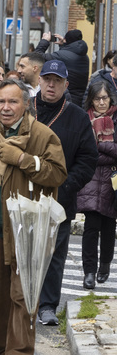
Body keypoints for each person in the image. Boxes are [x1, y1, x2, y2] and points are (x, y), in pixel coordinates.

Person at [0, 79, 66, 355]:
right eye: (1, 101)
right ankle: (2, 350)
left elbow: (57, 174)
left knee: (23, 298)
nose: (6, 107)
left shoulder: (42, 135)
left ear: (26, 105)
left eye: (13, 101)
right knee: (0, 300)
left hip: (27, 234)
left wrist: (22, 159)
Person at [34, 59, 98, 326]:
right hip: (20, 196)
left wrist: (65, 187)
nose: (51, 84)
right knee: (18, 252)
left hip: (59, 199)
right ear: (39, 80)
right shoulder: (23, 108)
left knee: (54, 254)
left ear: (66, 85)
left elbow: (87, 159)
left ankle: (47, 305)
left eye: (57, 81)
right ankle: (19, 302)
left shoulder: (78, 118)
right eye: (47, 79)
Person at [78, 78, 117, 289]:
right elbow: (85, 153)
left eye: (104, 98)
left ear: (110, 98)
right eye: (97, 99)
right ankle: (89, 272)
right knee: (91, 227)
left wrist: (100, 146)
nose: (101, 102)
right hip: (91, 180)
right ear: (91, 101)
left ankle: (105, 266)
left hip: (112, 181)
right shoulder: (85, 120)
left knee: (109, 226)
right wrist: (105, 149)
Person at [36, 29, 90, 105]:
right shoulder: (84, 56)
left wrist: (45, 41)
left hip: (65, 100)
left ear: (65, 40)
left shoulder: (63, 56)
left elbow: (37, 57)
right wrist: (64, 45)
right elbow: (67, 59)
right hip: (79, 100)